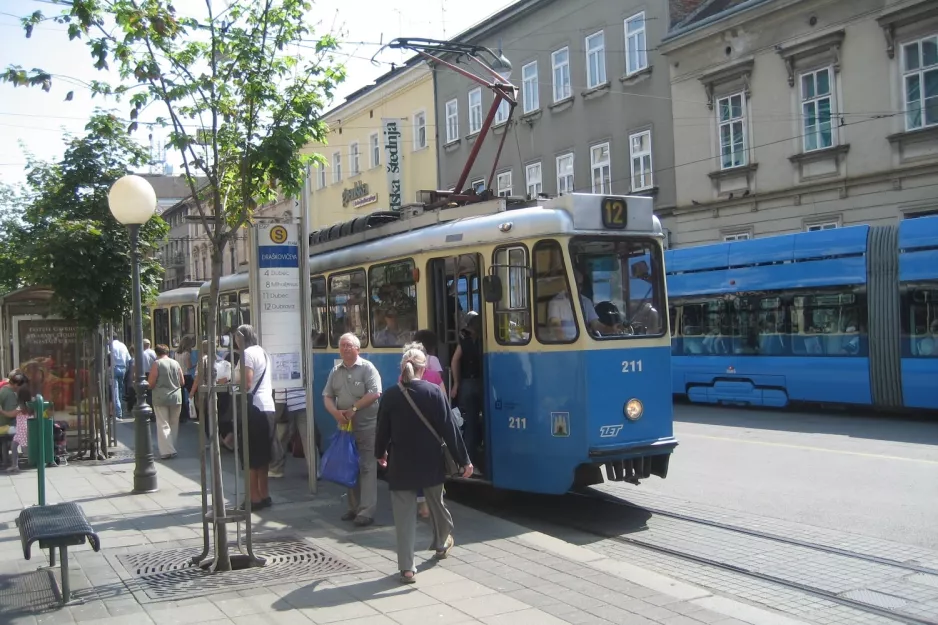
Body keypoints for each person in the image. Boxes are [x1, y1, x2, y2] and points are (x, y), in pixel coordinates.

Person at [375, 344, 473, 584]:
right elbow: (449, 430)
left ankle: (407, 569)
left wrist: (380, 454)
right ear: (424, 368)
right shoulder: (434, 392)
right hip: (431, 462)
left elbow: (382, 431)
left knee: (404, 519)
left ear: (403, 367)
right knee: (437, 505)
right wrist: (464, 460)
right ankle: (441, 543)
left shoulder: (390, 395)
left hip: (401, 465)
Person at [322, 332, 382, 527]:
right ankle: (353, 507)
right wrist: (335, 413)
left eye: (349, 345)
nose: (345, 349)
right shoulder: (336, 371)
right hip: (345, 428)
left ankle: (366, 511)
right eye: (342, 345)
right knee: (349, 465)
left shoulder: (367, 368)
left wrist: (354, 409)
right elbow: (327, 396)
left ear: (358, 349)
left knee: (367, 466)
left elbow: (375, 393)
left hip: (367, 426)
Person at [234, 324, 275, 510]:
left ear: (241, 338)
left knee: (249, 454)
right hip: (268, 407)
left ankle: (253, 497)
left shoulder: (247, 354)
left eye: (236, 338)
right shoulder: (263, 352)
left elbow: (247, 383)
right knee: (263, 455)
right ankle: (264, 494)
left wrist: (231, 382)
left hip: (254, 408)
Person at [450, 311, 483, 473]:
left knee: (469, 423)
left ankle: (468, 462)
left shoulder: (464, 341)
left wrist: (456, 383)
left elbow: (455, 360)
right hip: (482, 383)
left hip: (468, 383)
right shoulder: (484, 341)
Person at [147, 344, 184, 459]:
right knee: (174, 424)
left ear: (156, 353)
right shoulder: (175, 363)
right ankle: (172, 447)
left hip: (160, 397)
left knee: (163, 423)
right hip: (176, 397)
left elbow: (151, 383)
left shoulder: (157, 364)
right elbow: (182, 382)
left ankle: (167, 451)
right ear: (167, 352)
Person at [269, 386, 309, 479]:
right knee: (307, 436)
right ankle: (314, 470)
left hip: (283, 399)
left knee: (281, 435)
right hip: (300, 399)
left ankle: (276, 468)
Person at [111, 334, 131, 419]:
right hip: (123, 368)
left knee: (115, 391)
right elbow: (128, 359)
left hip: (114, 368)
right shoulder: (123, 345)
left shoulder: (110, 345)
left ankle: (118, 413)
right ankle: (122, 411)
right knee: (121, 391)